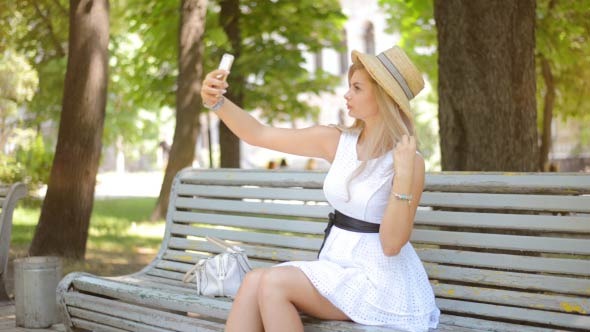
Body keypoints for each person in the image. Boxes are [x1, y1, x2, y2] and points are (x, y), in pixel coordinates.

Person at [201, 46, 440, 332]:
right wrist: (217, 102)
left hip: (379, 280)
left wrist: (402, 176)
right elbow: (259, 134)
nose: (346, 94)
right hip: (336, 266)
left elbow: (391, 245)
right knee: (254, 281)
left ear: (385, 96)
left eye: (357, 88)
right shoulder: (336, 141)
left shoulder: (408, 161)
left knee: (273, 283)